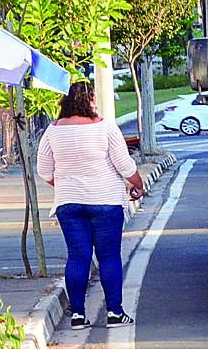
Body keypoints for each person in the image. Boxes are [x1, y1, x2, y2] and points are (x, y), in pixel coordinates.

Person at [36, 82, 145, 329]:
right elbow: (124, 164)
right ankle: (115, 313)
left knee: (78, 257)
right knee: (108, 257)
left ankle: (77, 316)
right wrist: (137, 184)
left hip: (69, 204)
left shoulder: (52, 131)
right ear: (91, 99)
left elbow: (44, 171)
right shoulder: (105, 127)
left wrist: (65, 184)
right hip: (105, 201)